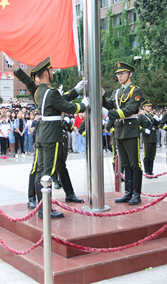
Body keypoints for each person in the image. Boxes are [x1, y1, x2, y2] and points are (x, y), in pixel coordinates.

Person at [31, 57, 88, 218]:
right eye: (51, 70)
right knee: (48, 173)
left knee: (40, 172)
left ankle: (42, 207)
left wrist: (76, 89)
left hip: (42, 135)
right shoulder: (51, 92)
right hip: (52, 135)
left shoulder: (40, 91)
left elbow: (60, 100)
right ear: (46, 73)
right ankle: (45, 210)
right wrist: (83, 105)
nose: (53, 73)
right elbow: (67, 107)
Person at [102, 61, 144, 205]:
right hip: (119, 130)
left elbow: (130, 109)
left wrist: (110, 114)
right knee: (125, 164)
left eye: (122, 73)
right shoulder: (116, 92)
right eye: (118, 74)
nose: (119, 76)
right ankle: (128, 193)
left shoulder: (135, 91)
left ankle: (136, 194)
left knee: (134, 163)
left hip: (130, 129)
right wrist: (101, 96)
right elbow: (109, 105)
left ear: (130, 74)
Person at [138, 99, 158, 177]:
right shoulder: (141, 116)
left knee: (152, 155)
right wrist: (144, 130)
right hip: (146, 138)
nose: (150, 107)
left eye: (150, 106)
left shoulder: (153, 116)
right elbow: (137, 126)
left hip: (153, 137)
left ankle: (151, 171)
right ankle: (147, 171)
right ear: (144, 107)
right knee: (147, 155)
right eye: (148, 106)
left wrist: (157, 120)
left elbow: (157, 126)